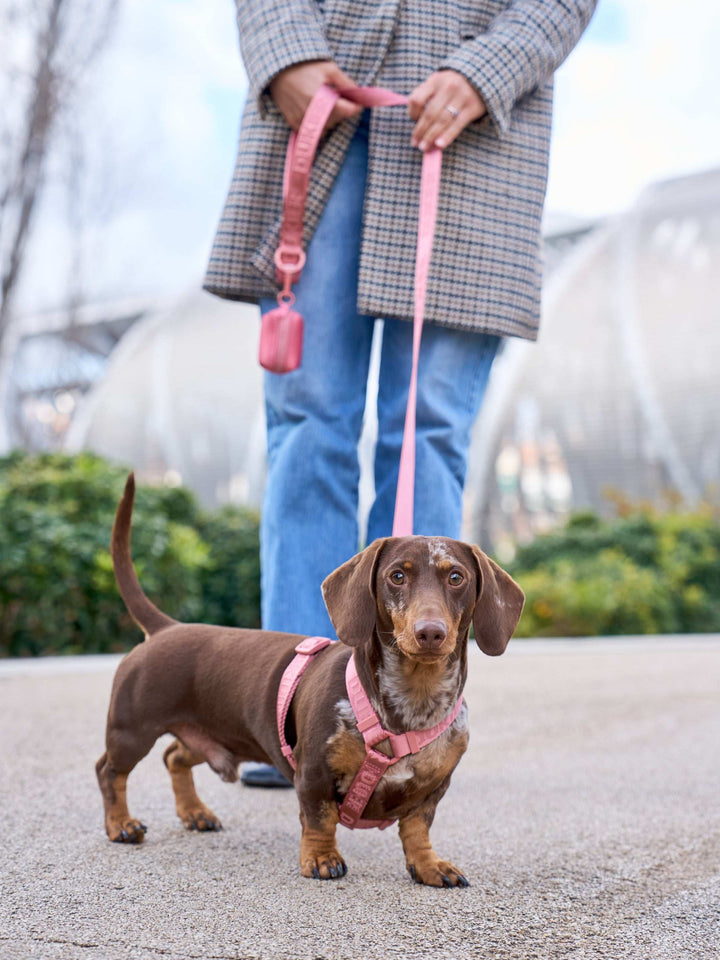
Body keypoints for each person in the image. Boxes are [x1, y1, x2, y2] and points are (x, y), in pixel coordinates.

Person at [204, 0, 597, 786]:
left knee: (429, 430)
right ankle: (299, 716)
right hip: (320, 109)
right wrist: (284, 54)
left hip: (478, 134)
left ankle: (406, 729)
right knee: (308, 423)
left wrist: (487, 69)